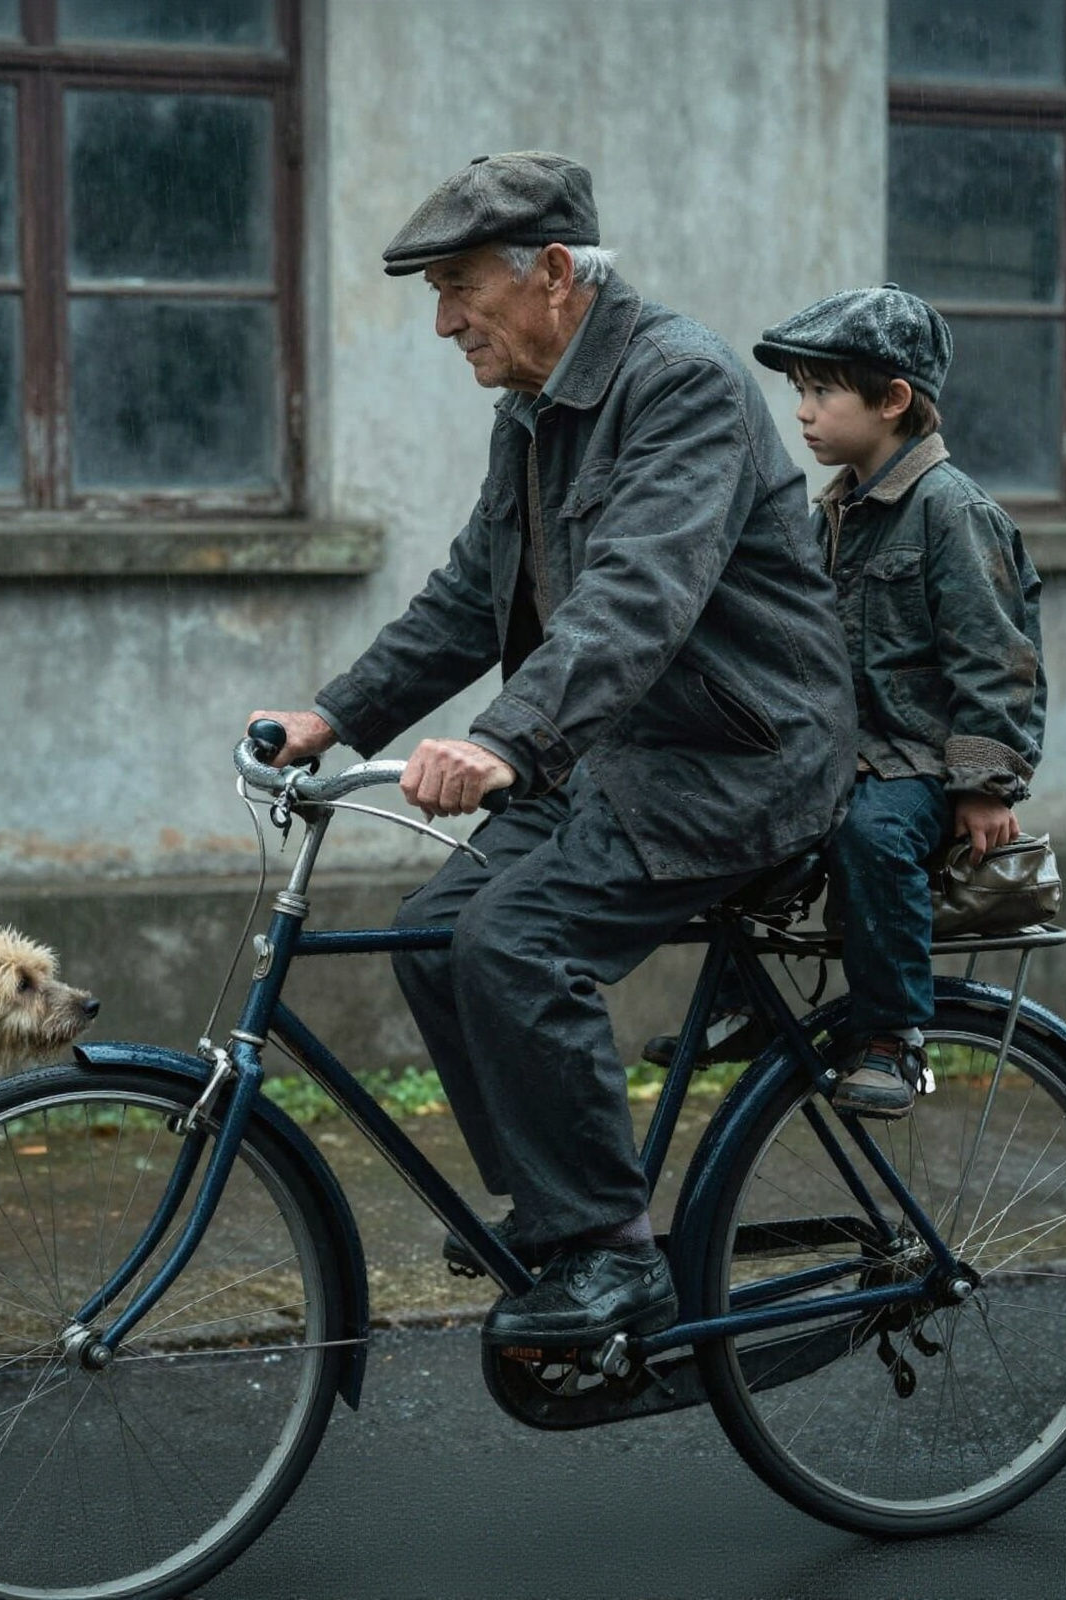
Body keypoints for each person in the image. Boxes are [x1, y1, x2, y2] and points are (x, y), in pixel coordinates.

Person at [251, 152, 856, 1350]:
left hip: (740, 759)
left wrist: (505, 742)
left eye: (459, 287)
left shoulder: (679, 383)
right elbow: (471, 593)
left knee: (514, 939)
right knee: (436, 938)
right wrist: (335, 716)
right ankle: (557, 1200)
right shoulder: (531, 414)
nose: (442, 322)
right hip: (618, 753)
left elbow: (639, 593)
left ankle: (608, 1257)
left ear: (556, 275)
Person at [752, 284, 1046, 1117]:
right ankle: (750, 1002)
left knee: (874, 838)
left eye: (821, 392)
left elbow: (999, 656)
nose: (803, 413)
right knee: (730, 812)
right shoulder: (836, 513)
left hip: (917, 760)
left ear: (893, 401)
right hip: (840, 754)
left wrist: (984, 786)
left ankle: (892, 1036)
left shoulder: (950, 512)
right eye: (799, 393)